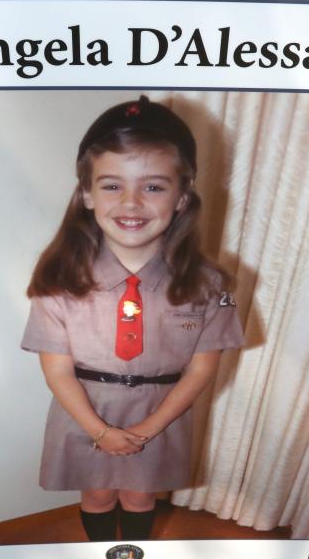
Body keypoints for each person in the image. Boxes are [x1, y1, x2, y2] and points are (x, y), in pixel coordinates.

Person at [21, 95, 245, 543]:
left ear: (182, 197)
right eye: (111, 185)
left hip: (160, 414)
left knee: (142, 499)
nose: (131, 202)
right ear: (86, 193)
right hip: (85, 411)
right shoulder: (59, 278)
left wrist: (145, 430)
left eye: (153, 187)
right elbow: (57, 369)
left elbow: (203, 368)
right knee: (98, 496)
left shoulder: (209, 284)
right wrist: (99, 431)